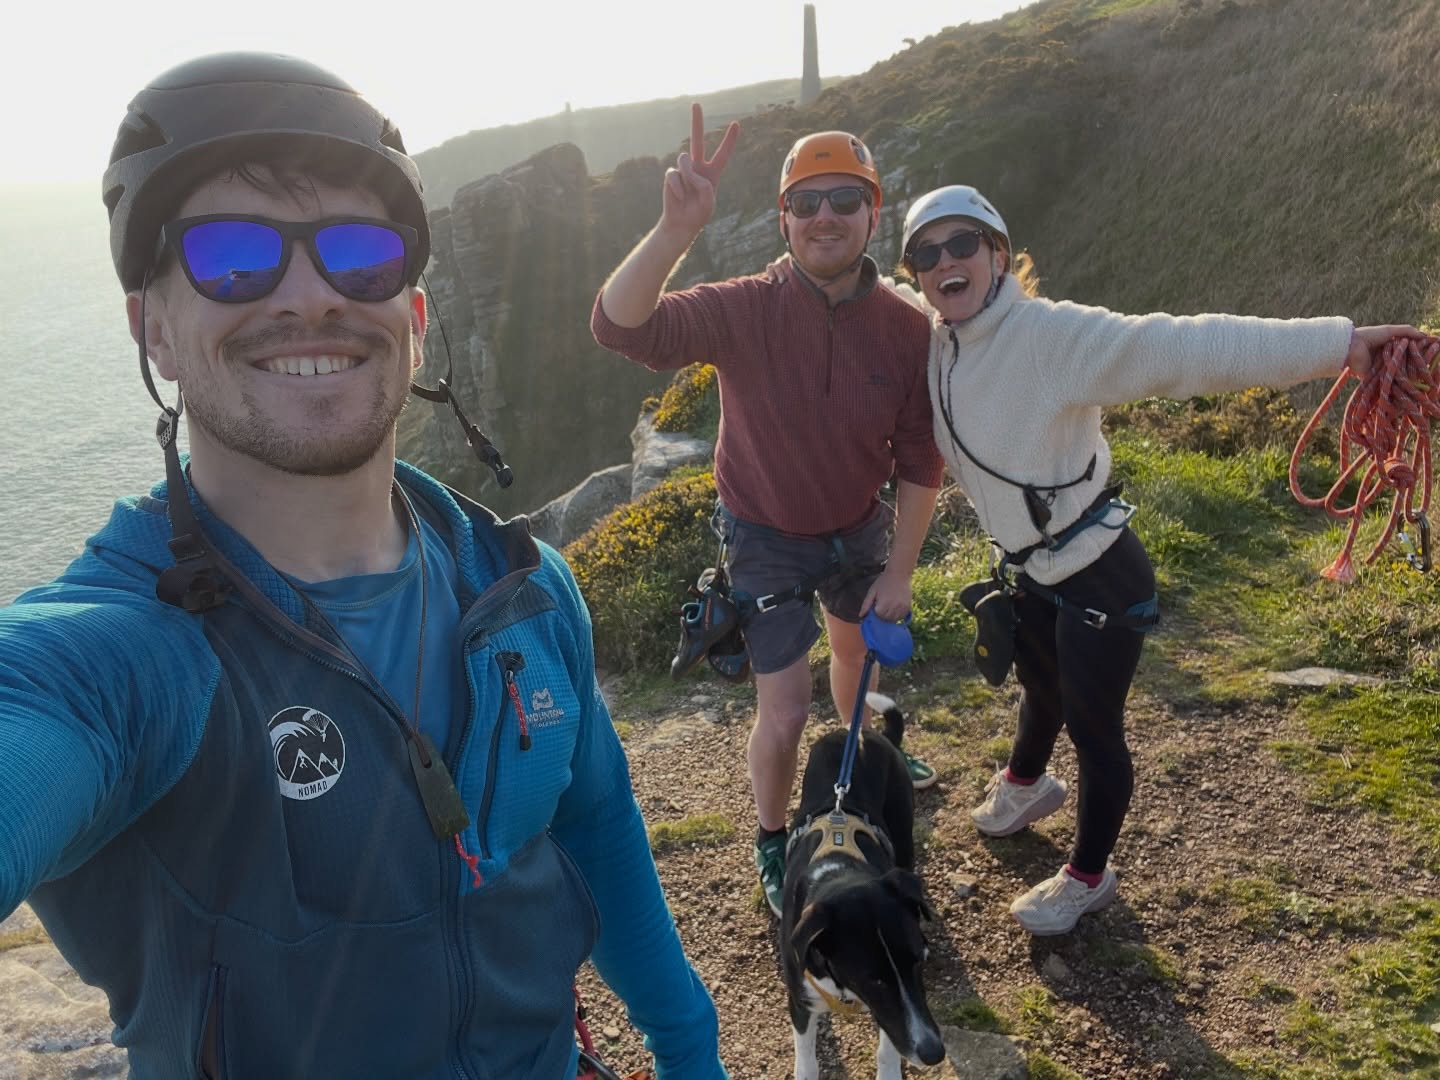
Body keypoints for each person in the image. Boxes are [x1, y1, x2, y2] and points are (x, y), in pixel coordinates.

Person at [0, 52, 726, 1079]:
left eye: (359, 254)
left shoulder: (523, 591)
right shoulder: (122, 658)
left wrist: (692, 1054)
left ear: (415, 325)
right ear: (151, 326)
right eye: (234, 255)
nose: (311, 296)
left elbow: (596, 827)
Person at [897, 183, 1424, 935]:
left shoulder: (1050, 338)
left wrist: (1339, 344)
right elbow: (859, 296)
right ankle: (1025, 783)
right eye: (926, 252)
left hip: (1098, 571)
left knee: (1092, 725)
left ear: (998, 255)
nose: (945, 261)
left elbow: (1180, 346)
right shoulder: (933, 336)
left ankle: (1087, 877)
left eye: (962, 245)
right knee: (1038, 683)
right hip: (1033, 566)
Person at [590, 106, 946, 918]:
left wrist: (899, 571)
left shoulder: (903, 327)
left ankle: (868, 760)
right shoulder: (745, 307)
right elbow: (619, 323)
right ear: (784, 217)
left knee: (857, 667)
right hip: (765, 536)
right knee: (783, 711)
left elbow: (921, 455)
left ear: (873, 213)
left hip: (859, 527)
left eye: (844, 200)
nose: (825, 215)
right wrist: (676, 229)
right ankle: (772, 835)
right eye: (806, 201)